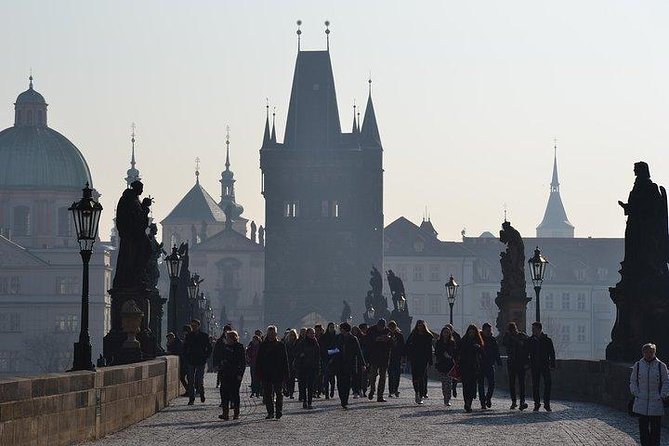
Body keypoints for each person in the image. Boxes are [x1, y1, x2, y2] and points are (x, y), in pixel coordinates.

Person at [630, 343, 669, 446]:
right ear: (643, 353)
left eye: (651, 352)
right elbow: (633, 381)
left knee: (656, 430)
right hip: (641, 402)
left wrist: (662, 395)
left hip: (656, 402)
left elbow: (666, 381)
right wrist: (636, 393)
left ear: (654, 353)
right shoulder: (638, 365)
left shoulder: (661, 366)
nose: (649, 354)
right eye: (647, 352)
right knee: (643, 430)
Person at [257, 325, 290, 419]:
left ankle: (279, 411)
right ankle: (270, 412)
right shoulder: (263, 345)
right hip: (266, 373)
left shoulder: (280, 345)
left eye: (273, 333)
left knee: (279, 393)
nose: (271, 335)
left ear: (276, 334)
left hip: (278, 373)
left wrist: (286, 373)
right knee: (268, 394)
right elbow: (259, 360)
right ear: (267, 334)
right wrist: (259, 372)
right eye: (270, 333)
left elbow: (285, 360)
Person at [213, 330, 245, 421]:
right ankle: (225, 413)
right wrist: (219, 365)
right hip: (225, 373)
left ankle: (236, 413)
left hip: (235, 374)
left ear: (233, 338)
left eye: (228, 338)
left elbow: (242, 362)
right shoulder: (225, 347)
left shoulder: (239, 347)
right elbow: (220, 357)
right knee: (224, 394)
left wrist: (240, 374)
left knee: (235, 394)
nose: (227, 340)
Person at [332, 322, 366, 409]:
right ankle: (342, 398)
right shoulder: (338, 337)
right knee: (340, 383)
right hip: (339, 363)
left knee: (347, 383)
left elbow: (358, 352)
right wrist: (330, 353)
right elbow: (334, 349)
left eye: (341, 329)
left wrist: (362, 364)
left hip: (349, 364)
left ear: (344, 329)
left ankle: (345, 401)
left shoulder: (353, 339)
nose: (340, 330)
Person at [527, 321, 556, 412]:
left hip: (544, 365)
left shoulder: (547, 340)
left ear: (539, 329)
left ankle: (546, 403)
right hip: (534, 366)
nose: (532, 331)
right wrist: (528, 363)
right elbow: (526, 353)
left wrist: (552, 364)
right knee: (535, 385)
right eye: (532, 330)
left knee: (548, 383)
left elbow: (552, 353)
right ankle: (537, 403)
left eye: (534, 329)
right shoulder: (530, 341)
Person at [183, 319, 212, 405]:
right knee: (191, 380)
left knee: (199, 379)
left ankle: (201, 392)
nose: (193, 327)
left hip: (200, 360)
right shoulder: (189, 336)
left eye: (195, 326)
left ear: (198, 326)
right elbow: (184, 347)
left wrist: (206, 356)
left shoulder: (204, 336)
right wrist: (186, 357)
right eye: (192, 326)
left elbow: (209, 347)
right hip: (191, 360)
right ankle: (191, 398)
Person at [405, 320, 434, 404]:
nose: (419, 327)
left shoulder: (428, 336)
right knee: (415, 376)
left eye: (421, 325)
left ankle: (420, 394)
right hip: (414, 359)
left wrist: (430, 361)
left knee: (421, 376)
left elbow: (429, 349)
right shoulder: (413, 335)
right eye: (418, 325)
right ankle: (416, 392)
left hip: (423, 359)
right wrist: (408, 355)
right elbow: (407, 345)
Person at [502, 322, 529, 410]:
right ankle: (516, 401)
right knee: (513, 383)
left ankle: (520, 401)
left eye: (513, 329)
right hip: (512, 362)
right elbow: (503, 343)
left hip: (519, 362)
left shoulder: (522, 336)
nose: (513, 331)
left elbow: (527, 346)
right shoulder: (508, 337)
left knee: (520, 383)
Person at [365, 318, 393, 402]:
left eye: (382, 327)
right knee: (373, 376)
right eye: (380, 326)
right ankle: (372, 390)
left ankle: (380, 395)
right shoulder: (371, 330)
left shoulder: (388, 331)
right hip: (374, 357)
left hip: (384, 357)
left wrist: (388, 340)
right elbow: (367, 342)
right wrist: (376, 339)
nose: (381, 328)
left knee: (383, 377)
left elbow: (392, 344)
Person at [458, 324, 483, 413]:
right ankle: (467, 403)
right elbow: (459, 353)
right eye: (470, 332)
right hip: (465, 366)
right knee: (466, 386)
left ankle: (469, 403)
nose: (471, 334)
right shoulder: (463, 341)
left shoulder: (478, 341)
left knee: (472, 386)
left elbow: (482, 353)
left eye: (473, 332)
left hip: (474, 367)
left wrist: (478, 348)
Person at [293, 327, 321, 409]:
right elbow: (295, 352)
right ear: (307, 334)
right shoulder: (302, 343)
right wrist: (300, 355)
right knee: (303, 385)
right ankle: (304, 400)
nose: (313, 335)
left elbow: (318, 357)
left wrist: (318, 368)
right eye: (311, 333)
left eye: (313, 333)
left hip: (312, 367)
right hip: (303, 367)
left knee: (310, 386)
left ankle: (309, 402)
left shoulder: (316, 343)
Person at [478, 322, 502, 409]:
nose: (489, 332)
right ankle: (482, 401)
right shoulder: (479, 339)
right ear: (483, 330)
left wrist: (499, 362)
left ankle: (488, 398)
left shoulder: (492, 340)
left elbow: (496, 352)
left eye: (490, 330)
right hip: (480, 365)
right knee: (480, 384)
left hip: (489, 364)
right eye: (487, 330)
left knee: (491, 384)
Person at [434, 325, 457, 406]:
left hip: (449, 365)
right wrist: (443, 354)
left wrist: (449, 355)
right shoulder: (438, 342)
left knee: (448, 383)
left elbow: (454, 352)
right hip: (442, 364)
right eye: (444, 332)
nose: (446, 334)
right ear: (442, 333)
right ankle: (445, 397)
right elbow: (436, 353)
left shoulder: (452, 342)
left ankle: (448, 399)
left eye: (447, 332)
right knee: (444, 383)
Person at [166, 330, 189, 396]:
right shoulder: (176, 342)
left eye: (169, 339)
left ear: (172, 338)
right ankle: (189, 390)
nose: (168, 340)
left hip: (183, 363)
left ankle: (189, 391)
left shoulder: (177, 343)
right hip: (183, 363)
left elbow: (178, 352)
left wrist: (169, 348)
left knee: (183, 377)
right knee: (184, 377)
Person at [319, 322, 338, 399]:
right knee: (326, 377)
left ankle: (332, 390)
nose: (332, 328)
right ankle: (327, 393)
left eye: (333, 327)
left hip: (334, 359)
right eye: (330, 327)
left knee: (332, 378)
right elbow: (322, 348)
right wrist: (327, 353)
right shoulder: (323, 337)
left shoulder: (337, 337)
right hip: (325, 359)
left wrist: (330, 353)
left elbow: (337, 348)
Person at [387, 320, 405, 398]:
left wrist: (403, 358)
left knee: (397, 375)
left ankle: (395, 389)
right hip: (389, 357)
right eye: (391, 327)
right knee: (391, 374)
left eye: (393, 327)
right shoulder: (387, 335)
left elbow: (402, 347)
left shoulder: (400, 336)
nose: (392, 329)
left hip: (397, 357)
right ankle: (391, 391)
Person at [447, 323, 462, 399]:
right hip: (447, 358)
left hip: (455, 357)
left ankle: (454, 387)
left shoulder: (457, 336)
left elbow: (460, 346)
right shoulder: (444, 335)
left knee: (455, 374)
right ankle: (449, 388)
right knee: (448, 374)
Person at [283, 329, 299, 399]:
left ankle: (291, 392)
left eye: (293, 335)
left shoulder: (297, 343)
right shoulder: (286, 343)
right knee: (287, 378)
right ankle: (287, 390)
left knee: (292, 378)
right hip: (287, 362)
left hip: (294, 362)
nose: (292, 337)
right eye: (291, 335)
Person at [357, 323, 371, 397]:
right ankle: (361, 390)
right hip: (361, 360)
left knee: (366, 376)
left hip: (366, 359)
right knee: (362, 376)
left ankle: (362, 389)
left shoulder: (367, 338)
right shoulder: (358, 338)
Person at [351, 325, 364, 398]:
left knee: (360, 376)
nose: (355, 332)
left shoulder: (362, 338)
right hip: (352, 360)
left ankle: (360, 389)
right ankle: (355, 391)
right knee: (354, 376)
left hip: (359, 360)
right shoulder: (351, 339)